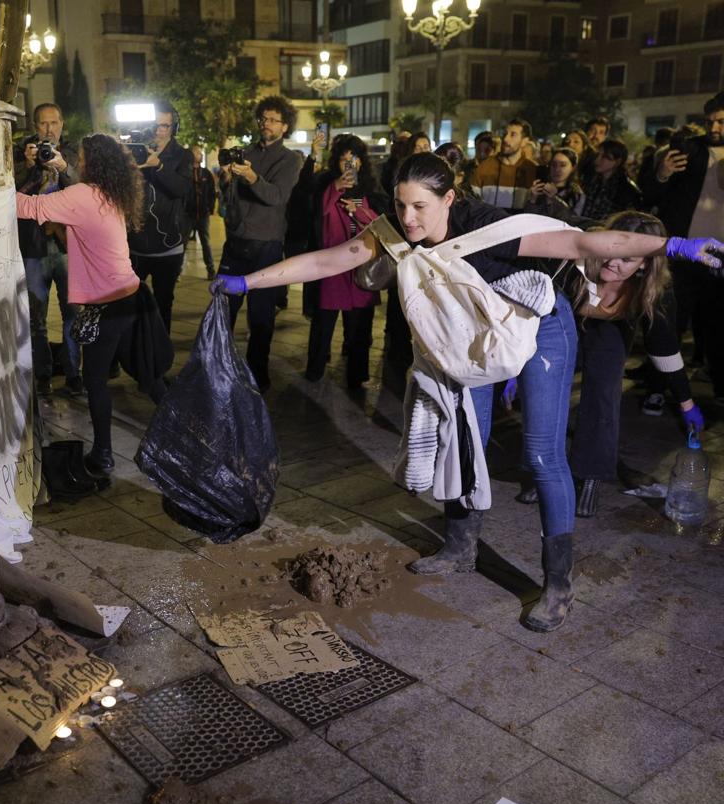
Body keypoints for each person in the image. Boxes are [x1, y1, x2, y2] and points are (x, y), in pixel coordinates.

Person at [211, 151, 723, 632]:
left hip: (537, 327)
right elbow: (327, 261)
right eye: (400, 204)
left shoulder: (488, 227)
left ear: (449, 199)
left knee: (542, 454)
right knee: (466, 437)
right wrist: (246, 283)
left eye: (420, 207)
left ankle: (558, 583)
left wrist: (673, 245)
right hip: (470, 338)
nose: (408, 218)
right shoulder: (395, 232)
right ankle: (461, 547)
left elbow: (585, 243)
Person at [16, 134, 166, 475]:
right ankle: (186, 432)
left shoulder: (81, 195)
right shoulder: (110, 192)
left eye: (80, 156)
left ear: (91, 162)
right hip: (132, 296)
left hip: (109, 304)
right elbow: (82, 224)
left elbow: (24, 207)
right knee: (149, 377)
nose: (77, 160)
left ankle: (102, 454)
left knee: (95, 380)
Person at [564, 212, 704, 517]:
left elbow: (664, 350)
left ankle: (590, 475)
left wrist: (686, 402)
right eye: (610, 253)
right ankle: (546, 469)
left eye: (626, 260)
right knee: (548, 381)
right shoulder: (577, 260)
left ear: (644, 264)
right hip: (565, 320)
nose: (613, 264)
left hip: (611, 330)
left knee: (604, 388)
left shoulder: (654, 291)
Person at [642, 93, 724, 405]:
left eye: (721, 121)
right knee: (668, 323)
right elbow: (650, 193)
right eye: (710, 120)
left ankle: (719, 390)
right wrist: (661, 173)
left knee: (718, 328)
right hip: (683, 253)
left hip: (720, 259)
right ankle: (657, 388)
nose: (713, 126)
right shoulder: (689, 149)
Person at [218, 95, 303, 392]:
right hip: (236, 240)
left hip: (266, 244)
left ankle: (257, 374)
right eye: (262, 119)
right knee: (223, 308)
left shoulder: (291, 160)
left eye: (272, 120)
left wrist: (252, 176)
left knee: (261, 314)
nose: (266, 124)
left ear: (285, 126)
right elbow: (230, 197)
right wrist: (227, 179)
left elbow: (276, 197)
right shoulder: (246, 152)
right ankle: (219, 368)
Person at [301, 134, 390, 387]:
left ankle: (358, 374)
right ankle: (315, 369)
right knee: (323, 323)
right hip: (332, 267)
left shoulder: (371, 189)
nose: (349, 165)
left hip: (361, 268)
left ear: (362, 162)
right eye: (344, 160)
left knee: (360, 327)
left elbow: (381, 222)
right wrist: (335, 187)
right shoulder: (326, 185)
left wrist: (359, 209)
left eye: (354, 159)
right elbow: (317, 210)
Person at [17, 103, 81, 396]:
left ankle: (73, 374)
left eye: (54, 123)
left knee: (73, 314)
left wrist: (63, 168)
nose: (49, 129)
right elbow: (12, 193)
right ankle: (42, 375)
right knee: (36, 317)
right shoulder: (21, 155)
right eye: (43, 124)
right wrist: (30, 168)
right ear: (35, 126)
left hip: (67, 245)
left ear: (62, 124)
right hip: (34, 247)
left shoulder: (72, 154)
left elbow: (83, 190)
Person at [128, 102, 193, 333]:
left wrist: (159, 166)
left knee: (163, 304)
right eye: (155, 125)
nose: (159, 131)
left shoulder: (183, 155)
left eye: (165, 126)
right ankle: (135, 352)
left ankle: (161, 358)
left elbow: (182, 189)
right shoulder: (136, 149)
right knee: (129, 303)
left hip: (168, 245)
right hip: (136, 242)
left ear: (173, 128)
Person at [469, 117, 538, 209]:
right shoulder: (485, 167)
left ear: (524, 141)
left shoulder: (532, 170)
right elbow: (472, 204)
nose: (505, 139)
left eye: (513, 135)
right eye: (505, 134)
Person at [582, 139, 641, 220]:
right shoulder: (592, 180)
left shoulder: (626, 190)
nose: (597, 159)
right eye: (597, 154)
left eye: (605, 157)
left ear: (618, 161)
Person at [525, 147, 586, 221]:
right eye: (554, 165)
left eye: (563, 165)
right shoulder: (541, 188)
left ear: (572, 168)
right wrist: (532, 199)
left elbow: (572, 220)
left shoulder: (577, 194)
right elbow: (529, 218)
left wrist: (554, 199)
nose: (557, 169)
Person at [187, 145, 218, 279]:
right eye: (198, 153)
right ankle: (176, 272)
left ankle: (210, 270)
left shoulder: (206, 173)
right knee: (182, 243)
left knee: (206, 242)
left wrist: (210, 208)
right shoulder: (186, 172)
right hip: (187, 214)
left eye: (200, 153)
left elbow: (212, 192)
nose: (200, 155)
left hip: (203, 215)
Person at [579, 115, 611, 187]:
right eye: (593, 131)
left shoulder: (605, 160)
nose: (596, 136)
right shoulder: (578, 153)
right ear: (586, 132)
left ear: (605, 137)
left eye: (601, 132)